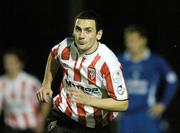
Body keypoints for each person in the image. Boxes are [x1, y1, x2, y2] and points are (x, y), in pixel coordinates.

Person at [36, 10, 128, 133]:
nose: (81, 36)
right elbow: (53, 55)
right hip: (64, 115)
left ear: (98, 34)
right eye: (78, 29)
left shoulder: (108, 63)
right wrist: (46, 84)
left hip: (95, 125)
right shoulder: (65, 47)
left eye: (88, 30)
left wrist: (88, 100)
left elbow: (122, 103)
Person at [116, 24, 178, 133]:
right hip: (126, 117)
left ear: (143, 41)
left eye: (133, 40)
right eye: (127, 40)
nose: (129, 44)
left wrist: (163, 104)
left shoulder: (156, 61)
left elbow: (173, 81)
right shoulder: (118, 60)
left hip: (148, 115)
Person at [0, 48, 44, 133]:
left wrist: (41, 122)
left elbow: (46, 101)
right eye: (6, 63)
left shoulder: (31, 82)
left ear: (20, 64)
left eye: (12, 63)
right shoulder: (1, 82)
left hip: (30, 128)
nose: (9, 66)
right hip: (10, 127)